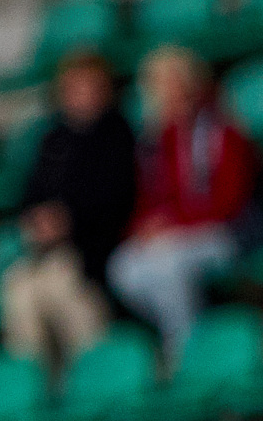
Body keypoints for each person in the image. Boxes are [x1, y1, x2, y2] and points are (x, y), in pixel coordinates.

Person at [107, 46, 256, 364]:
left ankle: (184, 354)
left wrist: (173, 225)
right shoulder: (156, 142)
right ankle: (195, 339)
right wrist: (144, 228)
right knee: (123, 268)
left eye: (175, 86)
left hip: (226, 235)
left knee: (169, 266)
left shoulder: (224, 133)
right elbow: (150, 201)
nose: (168, 96)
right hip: (176, 236)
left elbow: (229, 204)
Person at [0, 50, 135, 367]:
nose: (81, 95)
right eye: (74, 87)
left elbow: (118, 198)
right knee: (18, 289)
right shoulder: (53, 137)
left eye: (89, 86)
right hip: (48, 250)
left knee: (62, 285)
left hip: (95, 247)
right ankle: (36, 383)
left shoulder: (117, 134)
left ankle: (95, 371)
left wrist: (70, 220)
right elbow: (30, 193)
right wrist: (38, 219)